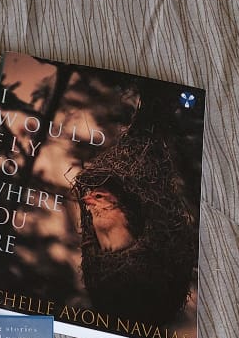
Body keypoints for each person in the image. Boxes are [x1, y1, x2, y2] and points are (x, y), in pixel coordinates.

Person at [73, 134, 197, 324]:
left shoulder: (120, 215)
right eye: (91, 196)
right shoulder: (96, 221)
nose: (89, 199)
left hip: (136, 271)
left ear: (112, 201)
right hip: (112, 274)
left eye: (98, 197)